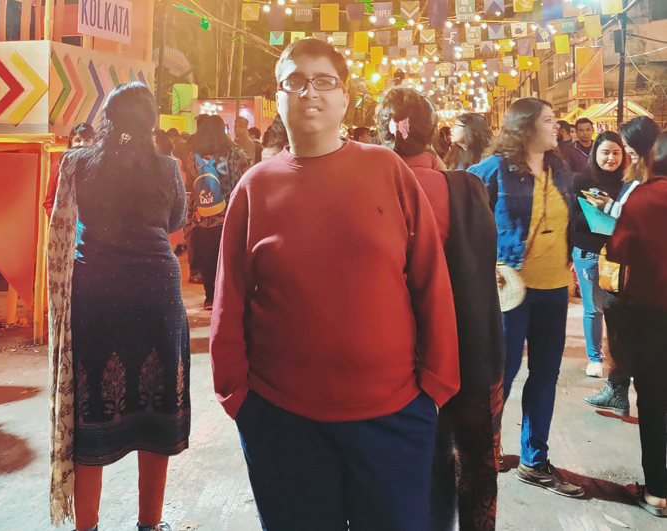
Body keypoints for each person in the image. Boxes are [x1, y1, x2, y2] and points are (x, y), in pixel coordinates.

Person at [210, 38, 460, 531]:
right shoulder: (255, 187)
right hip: (282, 420)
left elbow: (431, 279)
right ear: (278, 98)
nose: (309, 93)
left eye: (324, 81)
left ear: (345, 97)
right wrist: (236, 396)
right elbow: (229, 296)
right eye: (294, 82)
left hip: (394, 416)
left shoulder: (387, 170)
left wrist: (434, 387)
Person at [47, 83, 190, 531]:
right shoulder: (168, 169)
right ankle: (150, 524)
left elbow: (62, 219)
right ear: (150, 123)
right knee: (157, 405)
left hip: (97, 296)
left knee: (91, 408)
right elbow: (175, 221)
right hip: (156, 295)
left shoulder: (76, 162)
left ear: (106, 116)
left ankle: (85, 526)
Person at [379, 88, 505, 531]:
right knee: (473, 468)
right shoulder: (467, 188)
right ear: (434, 134)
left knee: (416, 466)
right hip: (470, 348)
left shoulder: (376, 193)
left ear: (383, 133)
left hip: (402, 358)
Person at [469, 97, 584, 498]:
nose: (558, 127)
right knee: (502, 375)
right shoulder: (492, 170)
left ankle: (534, 460)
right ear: (526, 128)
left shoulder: (561, 169)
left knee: (546, 375)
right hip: (511, 292)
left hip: (554, 289)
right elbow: (464, 218)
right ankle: (485, 451)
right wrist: (485, 267)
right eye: (549, 121)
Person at [603, 132, 667, 517]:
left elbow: (619, 249)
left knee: (656, 401)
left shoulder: (644, 197)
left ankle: (658, 492)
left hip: (652, 314)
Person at [583, 116, 662, 415]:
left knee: (625, 335)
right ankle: (617, 390)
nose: (621, 154)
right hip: (643, 282)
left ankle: (619, 392)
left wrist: (607, 210)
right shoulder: (640, 181)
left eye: (626, 148)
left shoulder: (644, 186)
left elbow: (623, 233)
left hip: (637, 281)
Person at [570, 131, 628, 378]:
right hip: (590, 252)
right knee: (594, 308)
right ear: (595, 153)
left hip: (621, 256)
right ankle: (595, 357)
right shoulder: (581, 180)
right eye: (605, 152)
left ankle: (621, 360)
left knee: (620, 309)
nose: (611, 158)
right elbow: (572, 219)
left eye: (616, 152)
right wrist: (600, 215)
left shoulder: (628, 182)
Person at [186, 114, 249, 310]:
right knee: (230, 255)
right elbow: (246, 177)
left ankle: (210, 297)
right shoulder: (236, 152)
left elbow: (192, 182)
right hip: (229, 213)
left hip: (202, 215)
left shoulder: (193, 155)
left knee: (207, 255)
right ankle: (228, 295)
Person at [43, 123, 95, 219]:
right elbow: (49, 203)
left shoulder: (100, 167)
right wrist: (59, 217)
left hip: (92, 225)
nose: (82, 144)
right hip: (64, 226)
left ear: (94, 142)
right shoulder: (56, 168)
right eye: (78, 140)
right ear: (71, 142)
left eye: (87, 140)